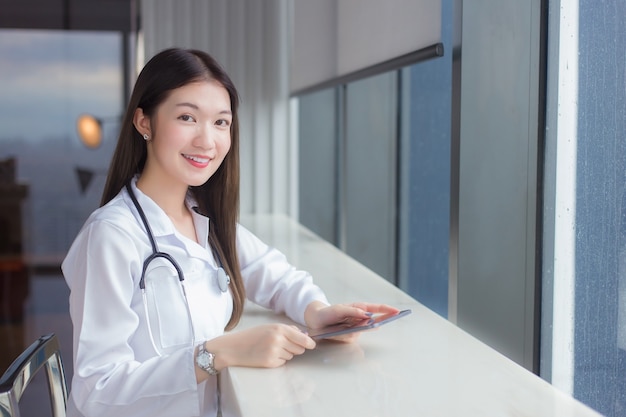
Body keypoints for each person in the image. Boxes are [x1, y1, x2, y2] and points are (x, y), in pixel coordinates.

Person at [62, 47, 398, 417]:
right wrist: (219, 352)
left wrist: (316, 311)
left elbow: (273, 274)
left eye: (221, 122)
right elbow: (96, 388)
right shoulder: (112, 236)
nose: (207, 141)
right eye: (188, 117)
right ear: (144, 122)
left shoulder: (202, 217)